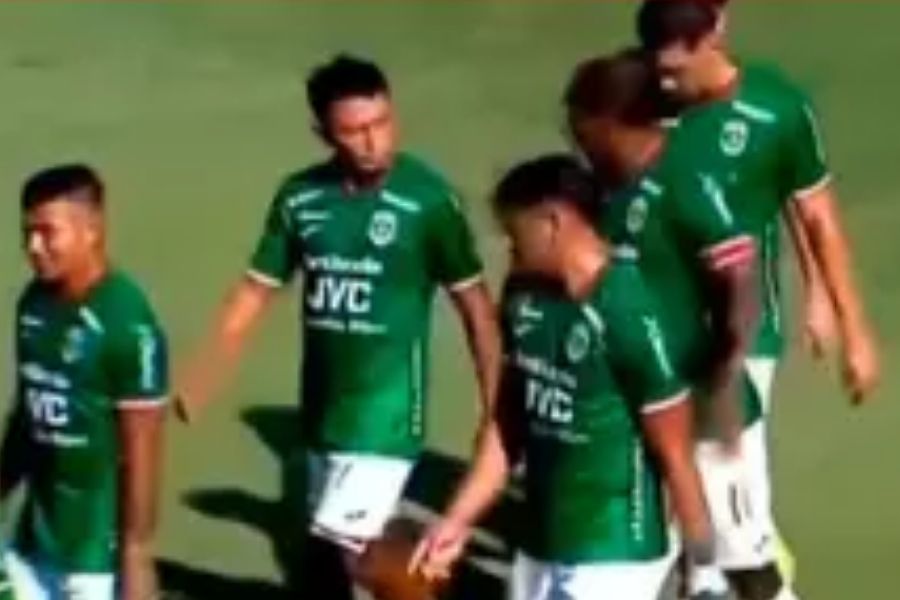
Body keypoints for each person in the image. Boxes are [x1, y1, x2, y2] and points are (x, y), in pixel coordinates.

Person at [176, 55, 500, 599]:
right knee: (337, 559)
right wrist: (206, 369)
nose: (373, 142)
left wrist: (495, 405)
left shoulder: (428, 201)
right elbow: (256, 289)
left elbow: (475, 307)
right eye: (353, 131)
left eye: (381, 123)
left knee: (344, 555)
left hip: (386, 419)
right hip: (323, 416)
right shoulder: (301, 199)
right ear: (323, 133)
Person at [636, 1, 881, 597]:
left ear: (714, 34)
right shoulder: (638, 101)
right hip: (650, 332)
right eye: (657, 68)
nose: (664, 84)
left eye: (676, 69)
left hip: (739, 338)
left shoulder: (776, 110)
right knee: (674, 493)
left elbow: (813, 212)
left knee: (726, 504)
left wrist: (849, 325)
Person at [411, 155, 716, 600]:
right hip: (540, 546)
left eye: (514, 231)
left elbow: (676, 454)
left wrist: (705, 570)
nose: (509, 245)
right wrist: (456, 520)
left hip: (614, 552)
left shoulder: (629, 309)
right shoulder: (523, 299)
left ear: (551, 222)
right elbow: (507, 426)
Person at [565, 48, 761, 599]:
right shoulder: (603, 188)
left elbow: (741, 281)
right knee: (671, 562)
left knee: (743, 564)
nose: (573, 137)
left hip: (699, 402)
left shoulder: (685, 179)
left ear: (610, 121)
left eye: (579, 124)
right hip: (637, 405)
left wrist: (725, 375)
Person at [0, 165, 168, 600]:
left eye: (47, 233)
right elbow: (27, 417)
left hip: (94, 565)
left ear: (91, 231)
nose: (33, 247)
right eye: (27, 233)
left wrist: (136, 556)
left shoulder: (125, 322)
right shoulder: (33, 304)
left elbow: (141, 452)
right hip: (34, 545)